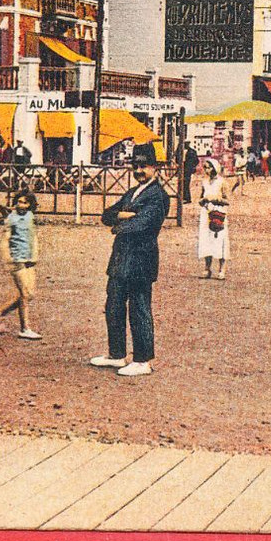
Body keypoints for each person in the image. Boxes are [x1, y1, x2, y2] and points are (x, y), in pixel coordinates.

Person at [92, 142, 170, 376]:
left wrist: (119, 223)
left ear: (155, 168)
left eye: (144, 166)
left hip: (141, 259)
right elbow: (107, 215)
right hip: (120, 259)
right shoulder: (132, 192)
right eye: (135, 166)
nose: (139, 170)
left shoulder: (158, 196)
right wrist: (122, 216)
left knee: (139, 308)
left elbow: (142, 224)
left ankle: (143, 359)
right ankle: (117, 354)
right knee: (113, 306)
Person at [0, 191, 42, 339]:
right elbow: (5, 239)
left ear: (30, 205)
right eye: (19, 202)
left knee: (30, 294)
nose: (21, 205)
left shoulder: (30, 217)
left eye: (25, 202)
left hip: (29, 258)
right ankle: (25, 328)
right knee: (25, 294)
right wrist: (8, 258)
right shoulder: (11, 219)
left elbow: (33, 237)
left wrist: (34, 255)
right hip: (16, 258)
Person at [196, 158, 230, 279]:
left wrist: (215, 199)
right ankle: (207, 268)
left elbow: (228, 200)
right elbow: (200, 198)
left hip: (218, 212)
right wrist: (203, 201)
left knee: (220, 239)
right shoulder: (204, 182)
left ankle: (222, 269)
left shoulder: (222, 182)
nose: (206, 170)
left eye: (209, 167)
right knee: (206, 240)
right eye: (204, 167)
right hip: (206, 213)